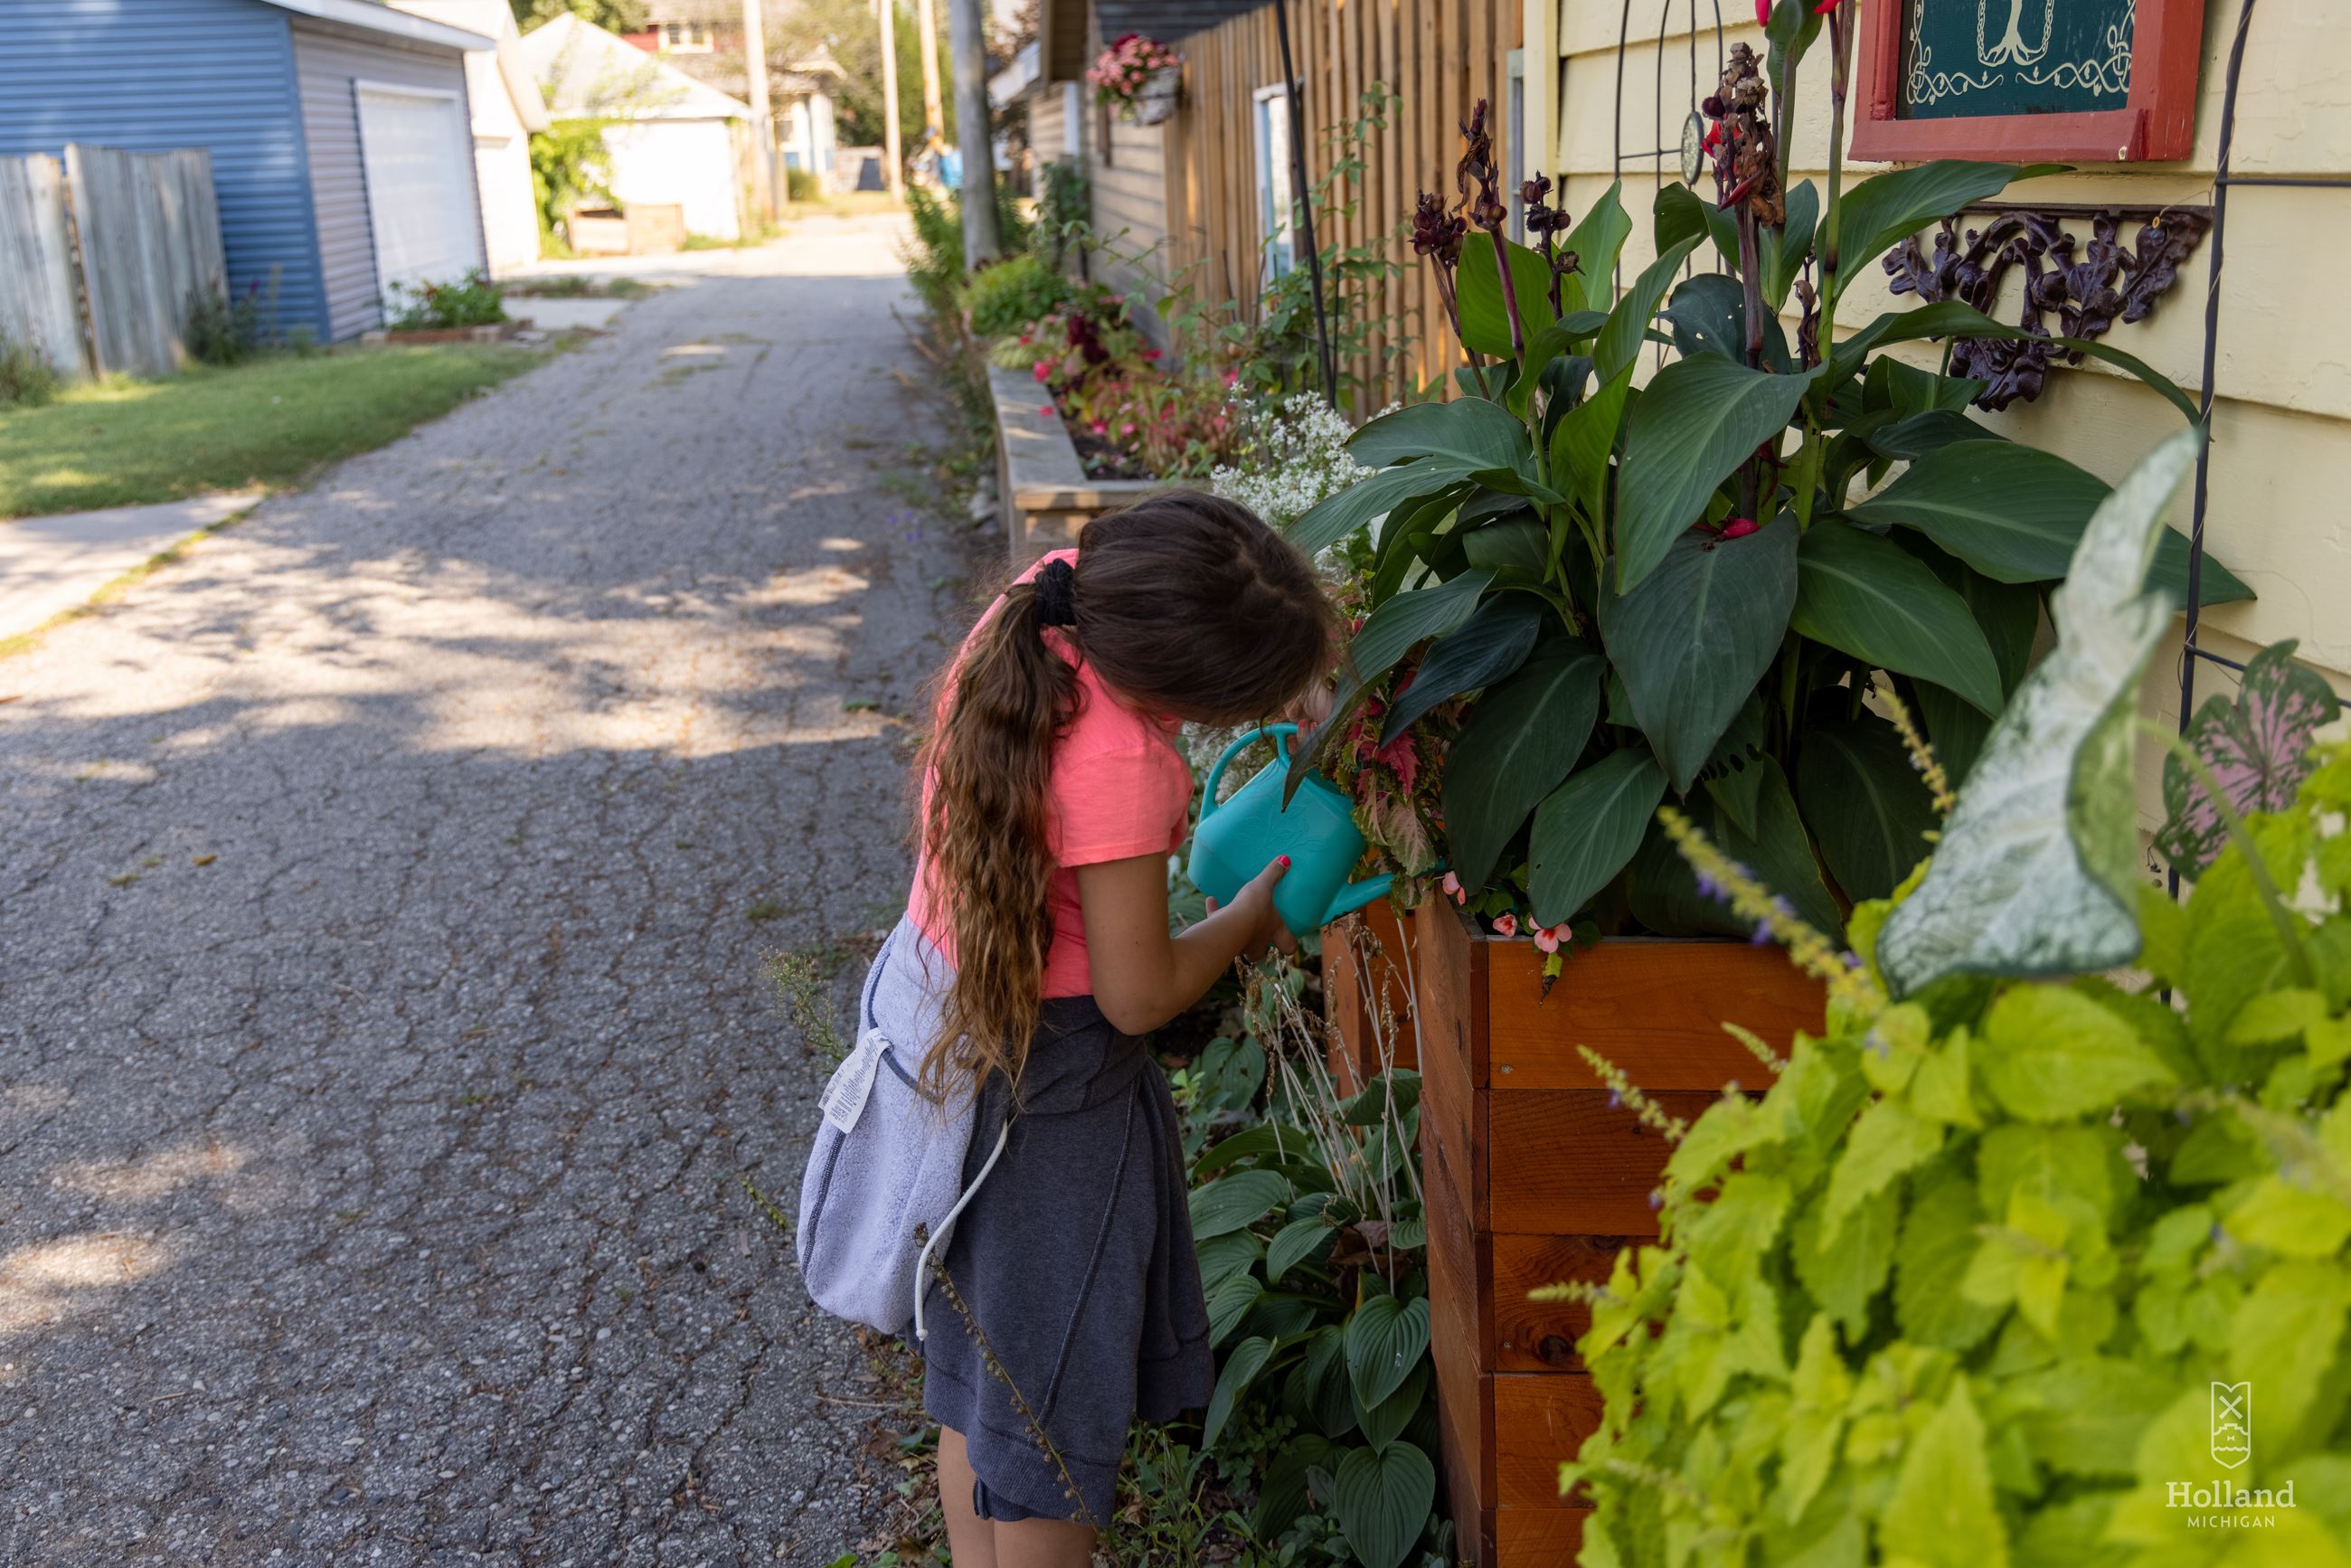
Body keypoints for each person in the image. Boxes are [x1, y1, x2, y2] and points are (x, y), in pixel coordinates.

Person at [866, 492, 1331, 1565]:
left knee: (982, 1387)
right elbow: (1138, 994)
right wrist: (1242, 920)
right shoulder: (1120, 763)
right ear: (1181, 685)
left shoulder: (1050, 602)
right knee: (1049, 1439)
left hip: (958, 1033)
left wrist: (1289, 668)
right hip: (1057, 1103)